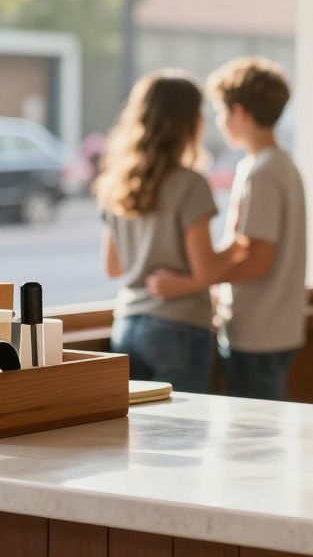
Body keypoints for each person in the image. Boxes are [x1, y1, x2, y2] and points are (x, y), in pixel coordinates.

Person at [147, 57, 306, 401]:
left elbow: (257, 259)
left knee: (255, 438)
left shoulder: (261, 172)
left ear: (240, 112)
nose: (218, 122)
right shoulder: (281, 165)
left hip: (258, 332)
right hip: (278, 326)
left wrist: (189, 282)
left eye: (221, 112)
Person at [98, 71, 245, 392]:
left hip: (127, 325)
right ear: (190, 123)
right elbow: (205, 270)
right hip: (179, 328)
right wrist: (236, 248)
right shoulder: (190, 184)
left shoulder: (118, 183)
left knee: (136, 437)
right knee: (183, 436)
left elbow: (113, 267)